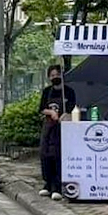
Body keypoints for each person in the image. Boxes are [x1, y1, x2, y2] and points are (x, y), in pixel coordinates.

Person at [38, 64, 76, 200]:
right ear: (49, 77)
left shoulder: (69, 92)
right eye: (52, 75)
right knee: (45, 153)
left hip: (62, 128)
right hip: (48, 127)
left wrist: (64, 115)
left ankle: (57, 186)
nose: (55, 77)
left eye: (57, 75)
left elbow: (72, 107)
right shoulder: (47, 91)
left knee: (57, 155)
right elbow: (42, 108)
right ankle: (47, 184)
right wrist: (51, 112)